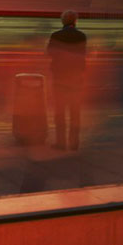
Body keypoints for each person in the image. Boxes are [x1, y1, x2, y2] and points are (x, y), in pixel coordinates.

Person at [46, 10, 87, 150]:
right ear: (75, 21)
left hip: (60, 78)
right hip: (76, 78)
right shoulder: (82, 36)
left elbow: (49, 53)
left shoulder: (56, 35)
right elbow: (83, 55)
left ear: (63, 21)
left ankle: (61, 142)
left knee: (60, 111)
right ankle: (74, 142)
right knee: (75, 112)